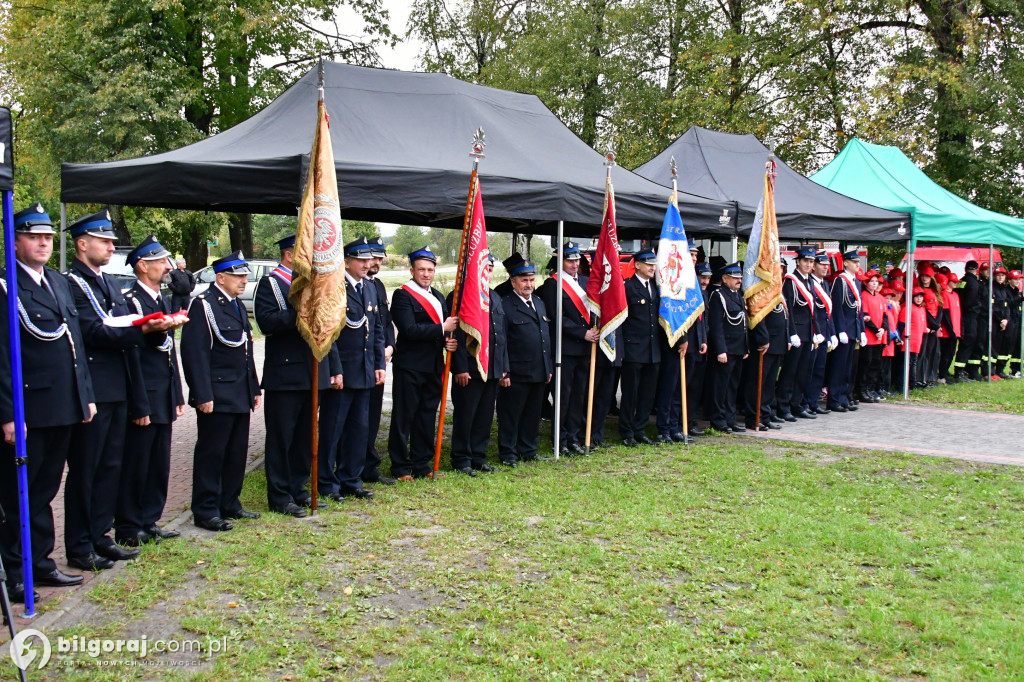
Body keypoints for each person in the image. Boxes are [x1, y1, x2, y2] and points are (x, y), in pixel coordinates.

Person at [64, 211, 177, 571]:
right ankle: (80, 545)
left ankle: (101, 537)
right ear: (82, 243)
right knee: (87, 470)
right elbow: (93, 332)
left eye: (112, 240)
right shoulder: (73, 283)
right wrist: (142, 331)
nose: (111, 245)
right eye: (103, 240)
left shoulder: (108, 283)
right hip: (94, 388)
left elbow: (124, 331)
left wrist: (155, 328)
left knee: (111, 467)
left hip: (118, 387)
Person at [1, 204, 96, 601]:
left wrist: (85, 397)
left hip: (63, 405)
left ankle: (39, 562)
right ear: (14, 240)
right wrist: (8, 414)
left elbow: (76, 345)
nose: (42, 242)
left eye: (46, 236)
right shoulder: (6, 286)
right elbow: (3, 355)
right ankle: (15, 570)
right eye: (32, 236)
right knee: (18, 493)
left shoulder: (56, 282)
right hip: (29, 410)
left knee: (44, 490)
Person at [255, 235, 340, 517]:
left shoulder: (315, 286)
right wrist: (299, 312)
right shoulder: (271, 283)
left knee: (305, 437)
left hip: (313, 370)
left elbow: (328, 329)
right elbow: (265, 321)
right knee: (282, 438)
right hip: (285, 373)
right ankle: (279, 495)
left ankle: (298, 488)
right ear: (291, 255)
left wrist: (334, 368)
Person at [181, 251, 262, 531]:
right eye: (238, 276)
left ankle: (230, 502)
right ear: (220, 277)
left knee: (236, 451)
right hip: (216, 393)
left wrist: (253, 387)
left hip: (239, 391)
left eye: (244, 276)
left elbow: (246, 350)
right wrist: (202, 394)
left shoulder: (236, 305)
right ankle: (206, 509)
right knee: (212, 452)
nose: (243, 280)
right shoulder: (203, 306)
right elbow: (195, 354)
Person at [116, 235, 187, 546]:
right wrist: (139, 404)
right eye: (160, 262)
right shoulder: (132, 300)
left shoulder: (161, 298)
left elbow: (169, 353)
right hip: (145, 394)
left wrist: (177, 395)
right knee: (138, 462)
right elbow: (132, 356)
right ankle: (130, 526)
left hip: (163, 393)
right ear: (142, 266)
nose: (167, 266)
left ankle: (150, 519)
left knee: (159, 461)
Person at [318, 238, 386, 499]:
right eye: (361, 259)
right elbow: (330, 335)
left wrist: (379, 364)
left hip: (365, 370)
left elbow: (377, 329)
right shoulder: (335, 287)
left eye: (369, 260)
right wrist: (335, 369)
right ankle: (327, 483)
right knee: (333, 430)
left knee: (360, 429)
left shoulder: (368, 288)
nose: (367, 264)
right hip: (343, 372)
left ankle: (351, 479)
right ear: (346, 261)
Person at [388, 247, 457, 481]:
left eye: (430, 269)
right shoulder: (402, 295)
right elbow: (408, 329)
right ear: (412, 271)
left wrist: (448, 341)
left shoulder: (437, 296)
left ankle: (421, 463)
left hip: (434, 365)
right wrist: (442, 329)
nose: (426, 274)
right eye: (421, 270)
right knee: (403, 416)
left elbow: (445, 330)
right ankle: (399, 465)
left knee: (427, 415)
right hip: (410, 365)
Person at [447, 254, 509, 475]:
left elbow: (501, 337)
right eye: (484, 269)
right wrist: (460, 368)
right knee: (466, 415)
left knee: (484, 415)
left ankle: (478, 457)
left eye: (490, 269)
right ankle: (461, 459)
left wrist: (503, 367)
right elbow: (457, 336)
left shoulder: (495, 297)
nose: (487, 273)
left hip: (491, 368)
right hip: (470, 370)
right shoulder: (458, 297)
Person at [538, 241, 597, 456]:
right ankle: (559, 439)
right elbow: (555, 317)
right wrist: (582, 333)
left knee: (579, 396)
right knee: (563, 396)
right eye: (569, 260)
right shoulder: (552, 285)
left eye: (576, 260)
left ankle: (573, 437)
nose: (574, 264)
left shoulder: (586, 281)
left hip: (585, 349)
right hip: (566, 348)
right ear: (560, 261)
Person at [497, 256, 552, 466]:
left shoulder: (539, 302)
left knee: (532, 414)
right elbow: (501, 342)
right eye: (523, 280)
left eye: (531, 279)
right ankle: (508, 453)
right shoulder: (505, 306)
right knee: (511, 415)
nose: (529, 284)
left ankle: (528, 450)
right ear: (513, 282)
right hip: (516, 373)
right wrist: (504, 371)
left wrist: (548, 367)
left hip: (538, 370)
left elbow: (544, 338)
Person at [619, 249, 661, 446]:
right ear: (637, 265)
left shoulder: (655, 287)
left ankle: (640, 429)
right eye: (648, 264)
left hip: (653, 349)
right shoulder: (628, 287)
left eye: (654, 264)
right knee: (631, 393)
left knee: (647, 394)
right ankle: (626, 431)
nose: (653, 267)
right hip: (634, 349)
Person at [363, 237, 396, 485]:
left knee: (373, 415)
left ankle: (369, 466)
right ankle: (350, 465)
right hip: (359, 361)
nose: (377, 261)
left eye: (379, 257)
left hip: (379, 360)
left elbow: (385, 322)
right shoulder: (352, 285)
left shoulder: (379, 285)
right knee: (356, 417)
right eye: (372, 257)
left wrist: (391, 345)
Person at [706, 263, 748, 432]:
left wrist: (746, 347)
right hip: (726, 350)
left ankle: (730, 418)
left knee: (732, 386)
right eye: (735, 277)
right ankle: (718, 419)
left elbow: (743, 324)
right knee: (720, 386)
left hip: (738, 348)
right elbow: (716, 326)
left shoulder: (738, 295)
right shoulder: (718, 296)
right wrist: (721, 349)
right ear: (724, 279)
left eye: (740, 277)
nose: (739, 280)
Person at [776, 249, 816, 420]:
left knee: (802, 372)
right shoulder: (791, 281)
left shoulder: (809, 282)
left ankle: (797, 404)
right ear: (798, 261)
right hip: (796, 333)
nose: (808, 264)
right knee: (790, 372)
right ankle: (783, 406)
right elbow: (789, 310)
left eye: (811, 262)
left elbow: (811, 311)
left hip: (807, 332)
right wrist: (792, 332)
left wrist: (815, 332)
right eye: (805, 261)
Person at [825, 250, 864, 411]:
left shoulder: (856, 282)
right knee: (838, 366)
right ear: (845, 263)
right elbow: (837, 308)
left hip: (853, 329)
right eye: (854, 262)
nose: (857, 264)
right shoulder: (840, 281)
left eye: (858, 262)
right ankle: (834, 399)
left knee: (848, 367)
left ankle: (843, 396)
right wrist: (840, 330)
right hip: (844, 330)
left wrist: (861, 330)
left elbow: (859, 309)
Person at [802, 251, 837, 415]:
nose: (825, 267)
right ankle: (805, 402)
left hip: (824, 333)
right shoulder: (809, 283)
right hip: (813, 333)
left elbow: (828, 313)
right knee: (808, 370)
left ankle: (813, 401)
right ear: (814, 266)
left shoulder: (825, 284)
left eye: (827, 264)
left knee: (819, 370)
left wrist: (832, 334)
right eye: (821, 264)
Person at [858, 272, 888, 401]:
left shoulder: (881, 297)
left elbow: (885, 316)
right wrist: (876, 330)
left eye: (876, 281)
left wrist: (882, 329)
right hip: (869, 336)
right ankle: (862, 390)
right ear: (866, 283)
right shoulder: (864, 296)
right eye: (872, 281)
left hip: (878, 337)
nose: (875, 283)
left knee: (875, 364)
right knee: (866, 363)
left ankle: (870, 389)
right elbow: (865, 315)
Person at [956, 260, 983, 380]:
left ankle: (960, 370)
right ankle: (960, 371)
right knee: (968, 341)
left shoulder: (962, 281)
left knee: (964, 342)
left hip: (961, 314)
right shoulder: (974, 283)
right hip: (970, 315)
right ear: (976, 269)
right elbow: (969, 301)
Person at [935, 273, 961, 383]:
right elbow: (945, 314)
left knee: (951, 354)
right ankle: (941, 375)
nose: (955, 284)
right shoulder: (944, 295)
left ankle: (944, 374)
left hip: (955, 330)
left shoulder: (955, 295)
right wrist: (951, 331)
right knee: (945, 354)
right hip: (947, 332)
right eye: (953, 281)